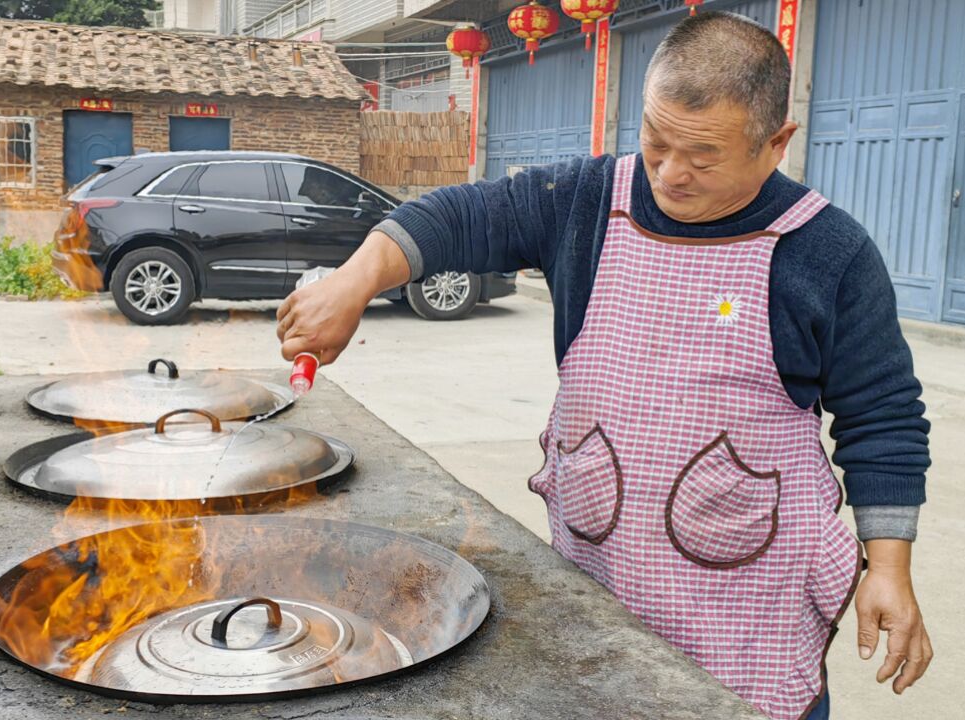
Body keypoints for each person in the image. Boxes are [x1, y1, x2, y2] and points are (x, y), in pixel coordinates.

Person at [277, 12, 931, 720]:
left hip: (748, 601)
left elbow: (883, 413)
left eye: (704, 157)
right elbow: (459, 218)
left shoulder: (828, 251)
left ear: (776, 143)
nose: (671, 175)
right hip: (601, 567)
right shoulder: (587, 202)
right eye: (655, 142)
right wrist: (354, 280)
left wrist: (888, 566)